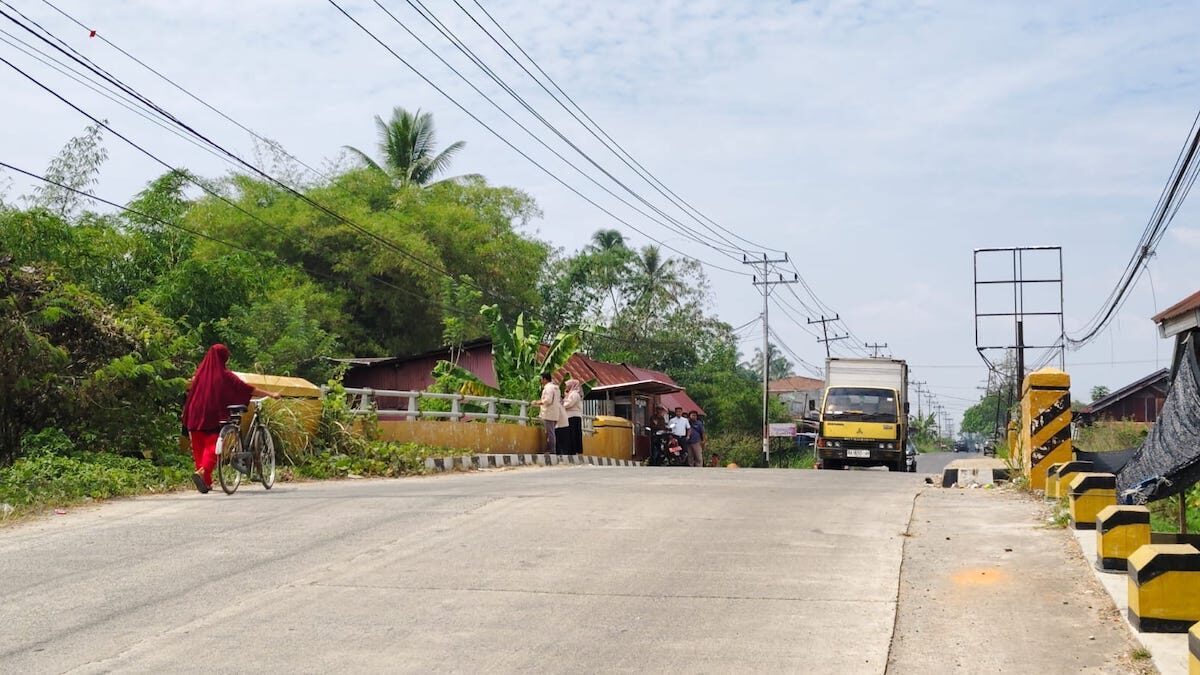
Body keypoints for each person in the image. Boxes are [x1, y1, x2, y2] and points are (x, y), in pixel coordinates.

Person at [182, 344, 280, 494]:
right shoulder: (224, 374)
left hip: (194, 415)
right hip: (212, 416)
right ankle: (202, 472)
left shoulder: (200, 374)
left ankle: (206, 482)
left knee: (199, 448)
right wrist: (271, 394)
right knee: (212, 447)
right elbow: (247, 389)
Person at [531, 373, 564, 454]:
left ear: (545, 379)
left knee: (550, 433)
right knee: (551, 432)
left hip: (548, 413)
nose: (540, 381)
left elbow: (548, 400)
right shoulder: (556, 388)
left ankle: (552, 450)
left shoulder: (548, 388)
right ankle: (551, 449)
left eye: (541, 379)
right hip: (555, 413)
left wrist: (538, 402)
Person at [563, 379, 584, 455]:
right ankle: (572, 450)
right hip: (572, 416)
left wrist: (562, 405)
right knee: (572, 434)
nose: (567, 387)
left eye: (568, 386)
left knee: (573, 434)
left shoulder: (574, 394)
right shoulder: (571, 394)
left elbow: (569, 404)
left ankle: (573, 450)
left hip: (573, 416)